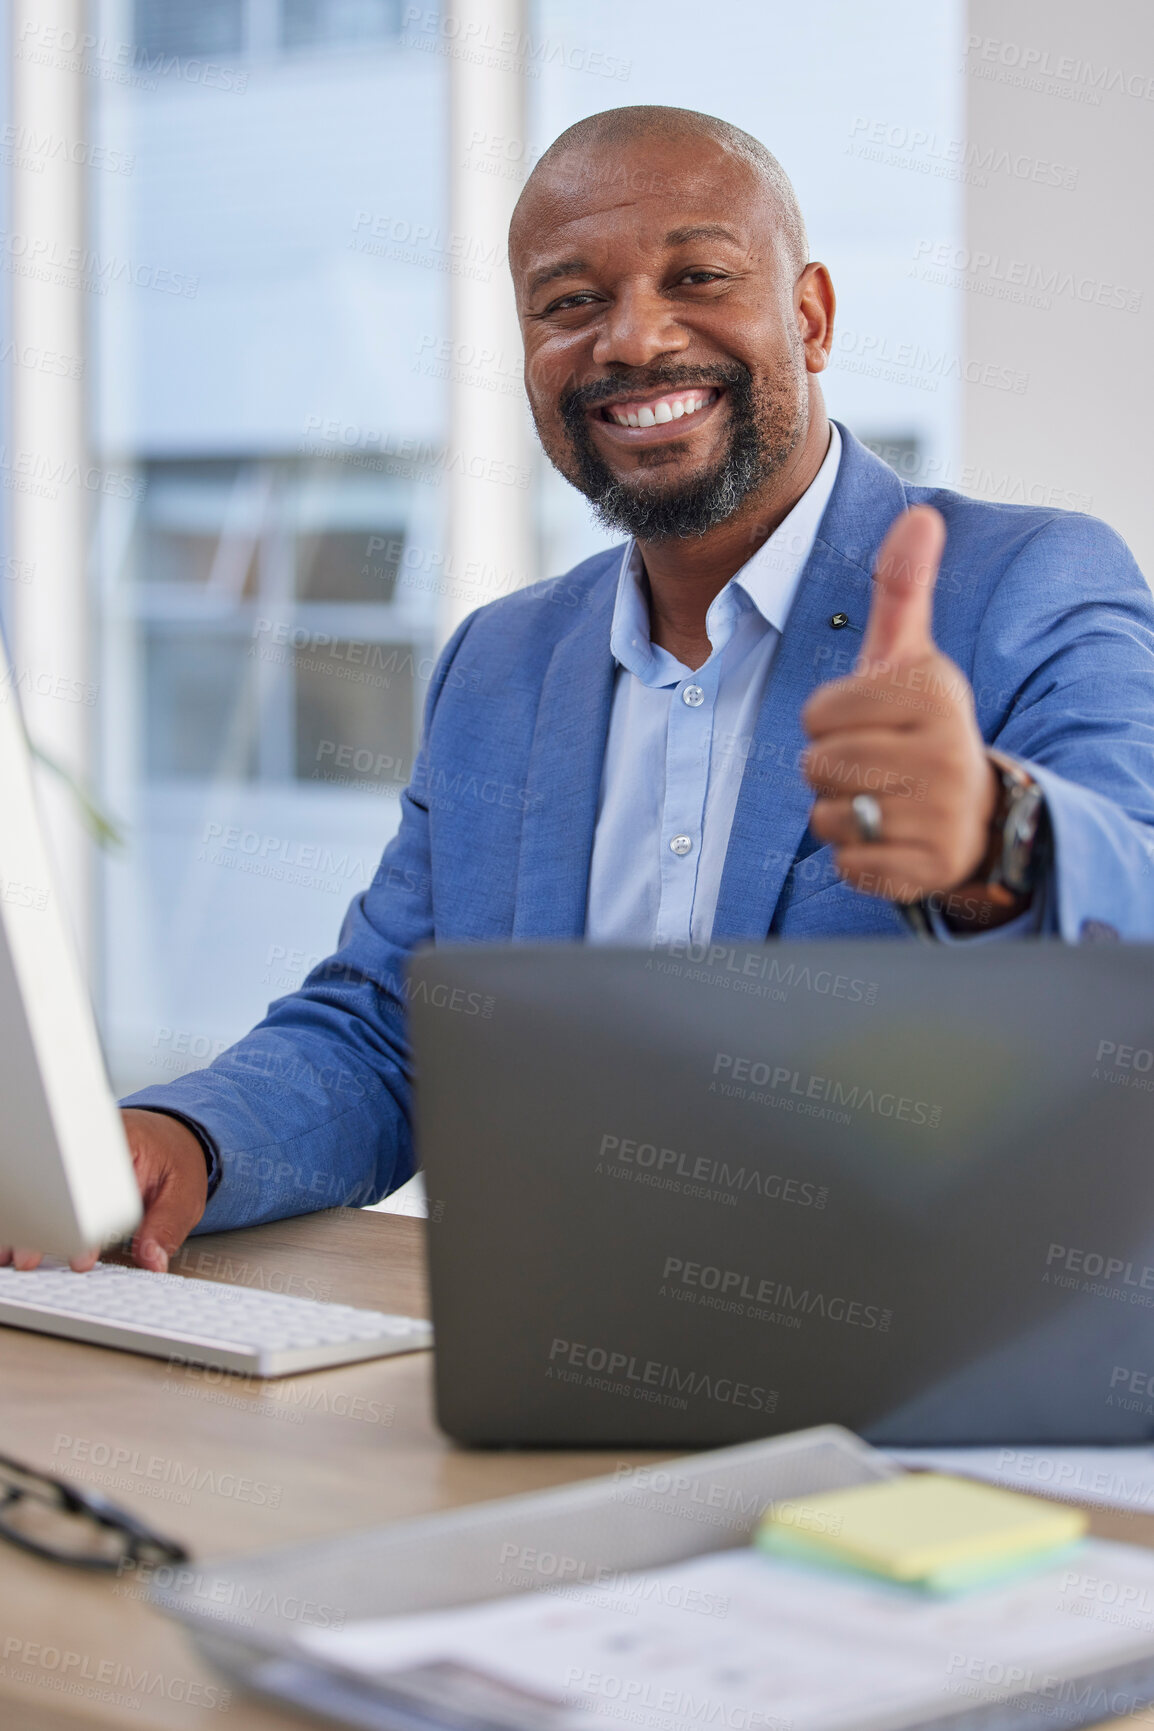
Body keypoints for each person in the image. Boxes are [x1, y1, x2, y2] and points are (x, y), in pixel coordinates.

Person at [9, 105, 1154, 1274]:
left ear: (807, 316)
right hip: (552, 1360)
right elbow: (394, 1031)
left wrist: (987, 842)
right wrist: (183, 1138)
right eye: (568, 302)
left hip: (917, 1361)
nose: (633, 340)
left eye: (697, 275)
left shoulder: (1027, 585)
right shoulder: (497, 664)